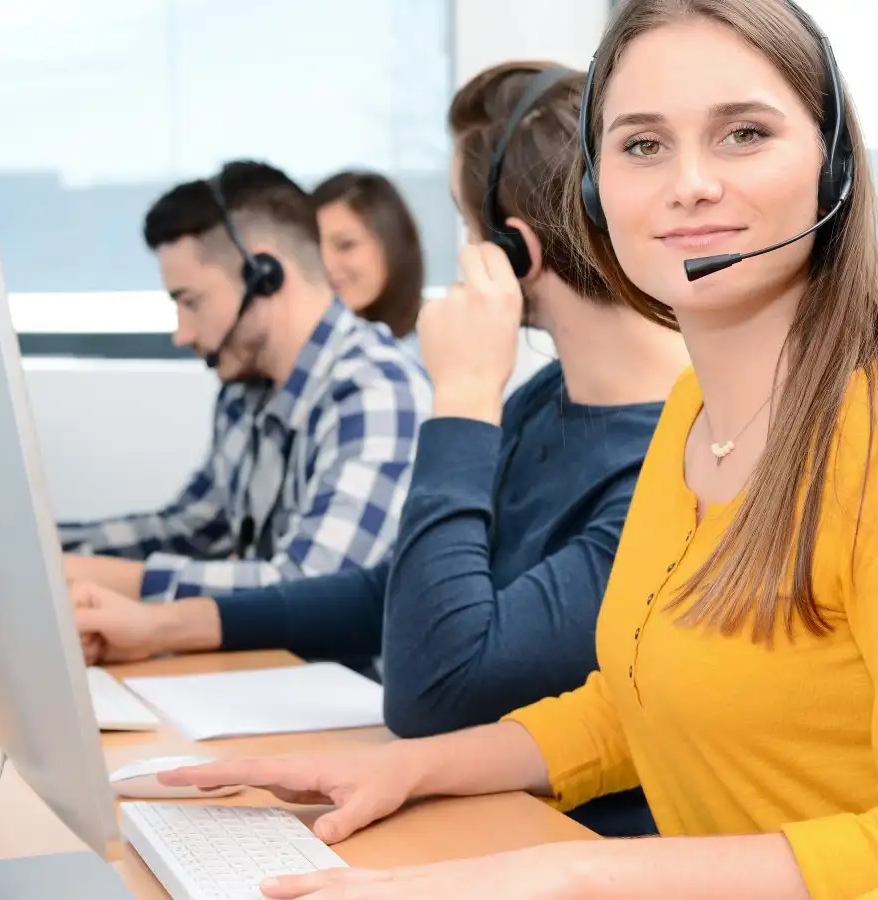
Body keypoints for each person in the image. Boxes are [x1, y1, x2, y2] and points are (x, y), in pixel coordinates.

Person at [155, 2, 878, 898]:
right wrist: (410, 770)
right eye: (642, 145)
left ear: (831, 169)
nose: (690, 183)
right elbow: (633, 708)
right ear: (594, 192)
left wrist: (570, 871)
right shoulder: (689, 414)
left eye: (744, 133)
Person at [69, 62, 692, 838]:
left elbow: (437, 691)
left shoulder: (677, 455)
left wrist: (463, 395)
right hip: (479, 821)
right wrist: (161, 625)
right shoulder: (547, 402)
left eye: (469, 231)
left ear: (512, 249)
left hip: (565, 844)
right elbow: (387, 592)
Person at [60, 161, 431, 602]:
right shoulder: (245, 390)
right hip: (269, 666)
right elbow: (195, 528)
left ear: (264, 276)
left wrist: (112, 580)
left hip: (340, 671)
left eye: (191, 302)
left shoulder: (376, 392)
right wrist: (45, 549)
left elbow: (311, 587)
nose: (183, 334)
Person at [311, 171, 426, 341]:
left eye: (346, 245)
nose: (326, 264)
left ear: (393, 244)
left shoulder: (429, 351)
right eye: (314, 247)